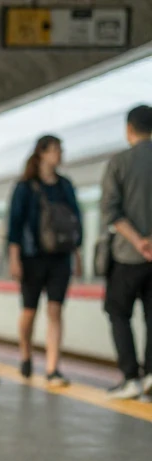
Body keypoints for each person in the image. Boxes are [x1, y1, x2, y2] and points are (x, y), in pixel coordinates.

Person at [6, 135, 83, 387]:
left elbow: (75, 221)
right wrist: (14, 257)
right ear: (42, 153)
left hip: (60, 258)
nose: (60, 154)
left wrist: (77, 254)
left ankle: (52, 369)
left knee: (55, 310)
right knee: (29, 311)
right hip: (31, 257)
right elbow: (14, 225)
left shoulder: (65, 185)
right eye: (56, 150)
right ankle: (26, 354)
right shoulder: (24, 187)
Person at [102, 105, 152, 400]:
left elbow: (111, 210)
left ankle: (131, 376)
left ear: (129, 129)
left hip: (128, 256)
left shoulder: (119, 162)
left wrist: (139, 241)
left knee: (117, 311)